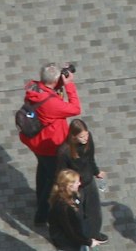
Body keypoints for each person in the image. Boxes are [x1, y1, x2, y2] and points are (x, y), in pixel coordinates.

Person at [20, 64, 82, 226]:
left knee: (43, 172)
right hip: (51, 146)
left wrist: (60, 80)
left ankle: (39, 199)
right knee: (54, 180)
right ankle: (42, 214)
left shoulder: (34, 89)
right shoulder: (52, 104)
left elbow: (49, 89)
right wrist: (69, 85)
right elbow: (75, 109)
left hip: (37, 143)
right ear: (54, 80)